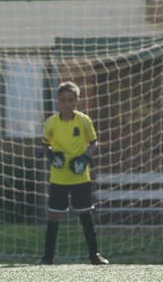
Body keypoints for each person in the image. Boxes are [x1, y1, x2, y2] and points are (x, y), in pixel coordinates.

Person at [37, 81, 109, 265]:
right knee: (54, 217)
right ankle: (48, 257)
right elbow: (45, 145)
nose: (67, 103)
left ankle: (95, 255)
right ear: (58, 102)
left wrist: (85, 157)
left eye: (70, 100)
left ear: (77, 101)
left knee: (86, 216)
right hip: (58, 177)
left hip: (80, 177)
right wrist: (51, 155)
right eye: (63, 100)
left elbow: (94, 142)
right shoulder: (51, 122)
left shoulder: (84, 120)